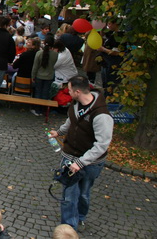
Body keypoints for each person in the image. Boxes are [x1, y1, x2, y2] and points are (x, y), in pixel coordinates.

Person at [49, 75, 113, 232]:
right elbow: (70, 123)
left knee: (84, 193)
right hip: (69, 156)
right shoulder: (75, 105)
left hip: (91, 163)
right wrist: (58, 132)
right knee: (69, 194)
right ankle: (69, 228)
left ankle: (81, 217)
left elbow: (102, 145)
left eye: (69, 90)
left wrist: (80, 162)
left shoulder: (101, 116)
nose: (67, 92)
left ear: (78, 91)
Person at [32, 35, 58, 102]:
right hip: (49, 76)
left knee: (38, 92)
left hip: (39, 76)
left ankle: (37, 108)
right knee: (45, 93)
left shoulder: (39, 53)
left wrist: (33, 76)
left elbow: (35, 66)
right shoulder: (55, 54)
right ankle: (43, 108)